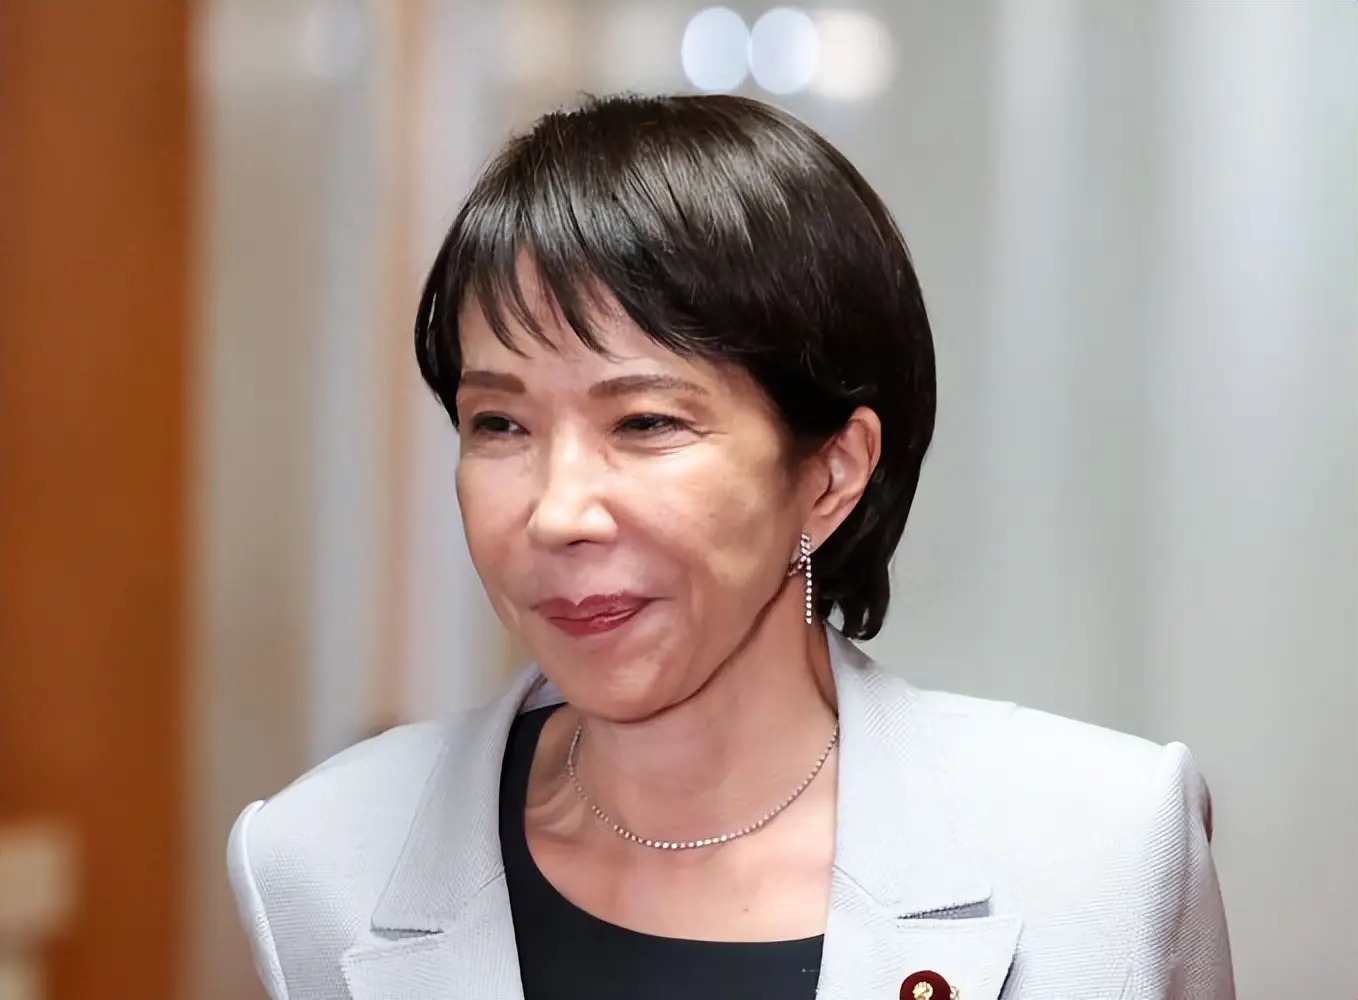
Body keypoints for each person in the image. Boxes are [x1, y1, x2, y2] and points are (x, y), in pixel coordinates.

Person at [227, 93, 1234, 1000]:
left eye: (645, 423)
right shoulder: (323, 862)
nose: (557, 512)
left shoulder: (1098, 850)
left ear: (830, 474)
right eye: (500, 424)